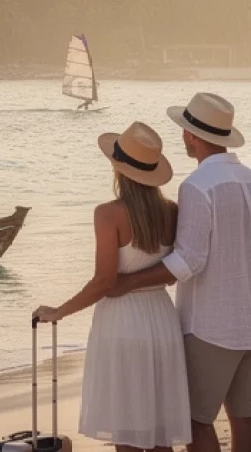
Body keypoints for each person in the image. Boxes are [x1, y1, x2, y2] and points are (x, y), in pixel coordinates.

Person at [34, 121, 190, 451]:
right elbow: (173, 271)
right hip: (162, 320)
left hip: (122, 322)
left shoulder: (108, 214)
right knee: (159, 430)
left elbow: (105, 281)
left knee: (127, 429)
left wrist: (59, 311)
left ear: (117, 169)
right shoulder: (172, 211)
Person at [109, 93, 251, 452]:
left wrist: (128, 282)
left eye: (185, 132)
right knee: (245, 420)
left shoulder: (197, 186)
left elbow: (188, 262)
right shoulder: (249, 180)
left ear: (192, 137)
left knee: (196, 423)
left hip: (210, 328)